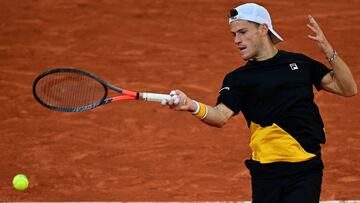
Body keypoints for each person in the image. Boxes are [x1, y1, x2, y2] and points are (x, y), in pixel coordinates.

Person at [161, 2, 357, 203]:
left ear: (263, 29)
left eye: (243, 32)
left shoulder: (300, 64)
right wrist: (192, 105)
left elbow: (348, 89)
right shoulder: (238, 79)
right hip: (265, 173)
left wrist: (328, 50)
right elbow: (220, 116)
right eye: (234, 35)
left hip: (305, 168)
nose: (237, 40)